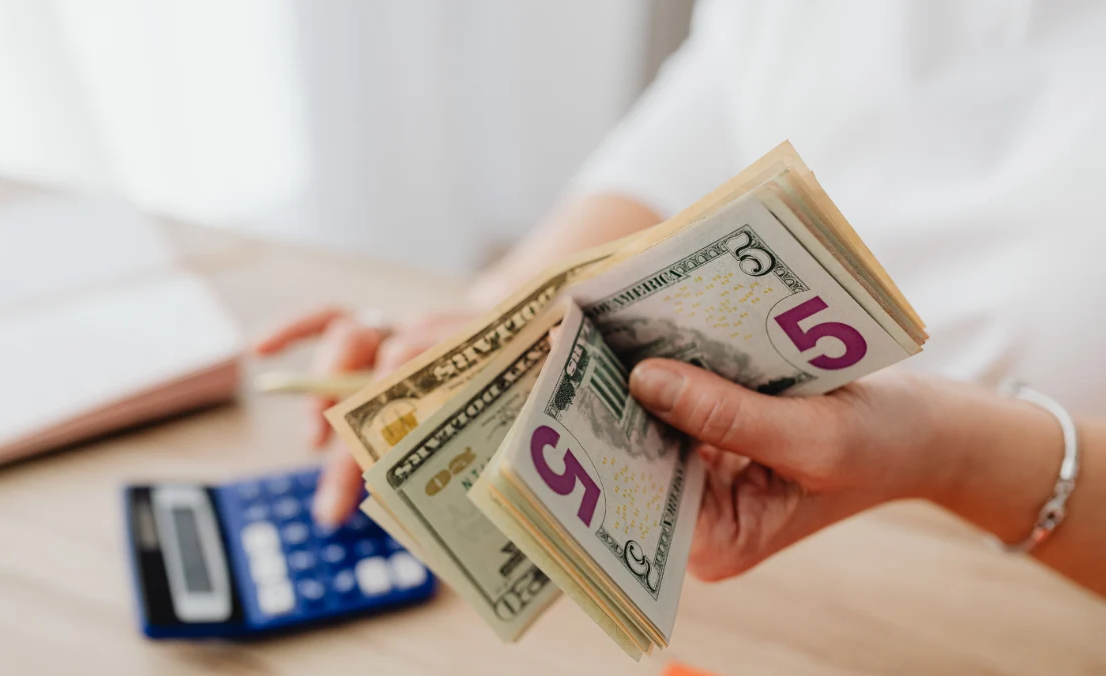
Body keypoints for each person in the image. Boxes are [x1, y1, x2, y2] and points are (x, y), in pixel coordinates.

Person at [257, 0, 1105, 597]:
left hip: (1037, 615)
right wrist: (476, 334)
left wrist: (945, 452)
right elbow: (701, 128)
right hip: (793, 595)